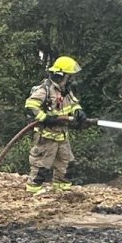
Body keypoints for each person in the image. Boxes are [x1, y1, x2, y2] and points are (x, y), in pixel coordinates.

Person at [25, 56, 88, 194]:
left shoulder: (65, 90)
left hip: (62, 135)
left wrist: (78, 111)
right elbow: (30, 105)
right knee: (41, 165)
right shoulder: (45, 90)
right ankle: (33, 191)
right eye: (69, 76)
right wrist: (46, 118)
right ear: (61, 75)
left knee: (66, 163)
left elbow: (73, 103)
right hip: (46, 136)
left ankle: (62, 191)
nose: (72, 79)